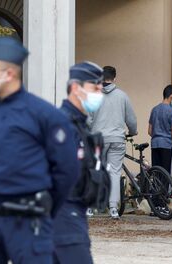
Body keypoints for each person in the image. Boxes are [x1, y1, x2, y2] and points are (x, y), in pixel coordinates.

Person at [0, 37, 79, 263]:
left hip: (27, 222)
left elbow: (67, 170)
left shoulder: (44, 115)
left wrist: (45, 207)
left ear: (10, 74)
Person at [53, 61, 107, 264]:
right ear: (76, 88)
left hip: (74, 215)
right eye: (95, 88)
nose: (99, 93)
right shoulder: (60, 125)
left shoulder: (80, 126)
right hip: (63, 220)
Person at [88, 66, 138, 219]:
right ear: (114, 78)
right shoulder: (122, 96)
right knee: (115, 173)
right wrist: (133, 130)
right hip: (117, 138)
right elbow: (131, 119)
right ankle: (114, 209)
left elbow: (87, 119)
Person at [148, 85, 172, 175]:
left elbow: (150, 131)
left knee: (157, 173)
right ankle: (165, 190)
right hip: (167, 146)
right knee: (167, 175)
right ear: (171, 96)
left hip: (155, 145)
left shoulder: (154, 110)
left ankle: (156, 189)